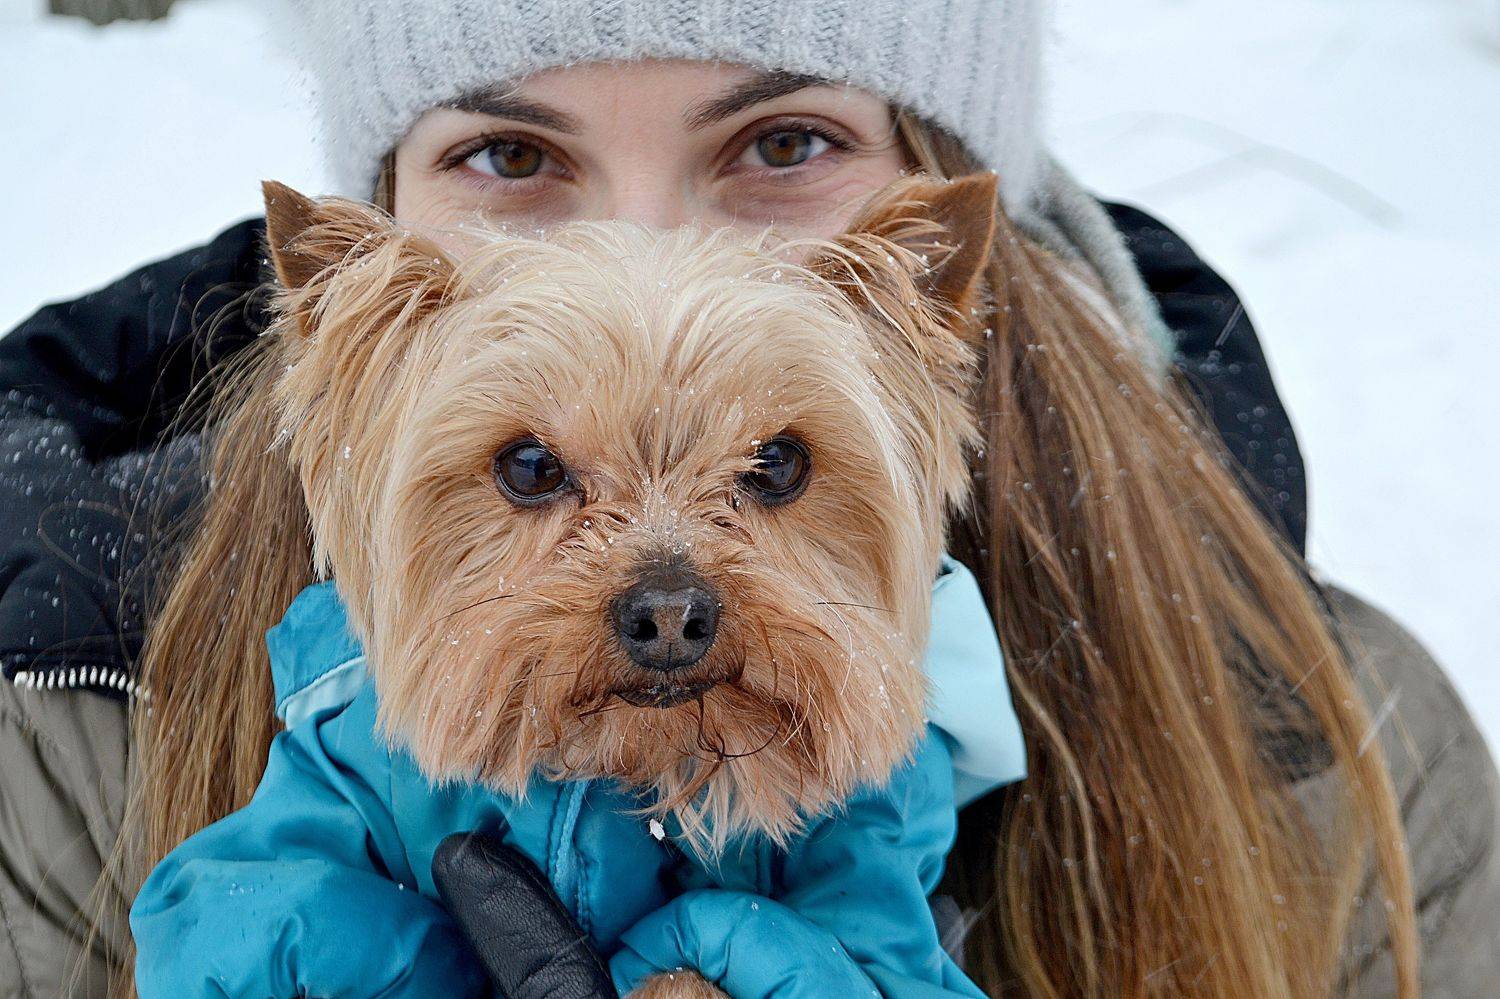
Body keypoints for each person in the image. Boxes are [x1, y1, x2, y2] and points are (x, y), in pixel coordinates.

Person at [0, 1, 1496, 996]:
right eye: (509, 154)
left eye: (785, 145)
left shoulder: (1343, 754)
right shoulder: (62, 744)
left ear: (936, 268)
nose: (651, 250)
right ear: (371, 274)